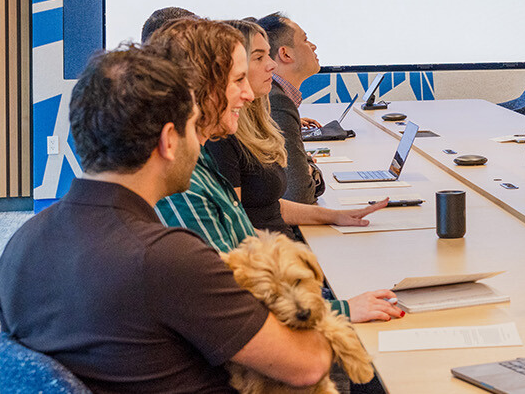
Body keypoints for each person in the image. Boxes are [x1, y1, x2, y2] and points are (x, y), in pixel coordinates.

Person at [0, 46, 332, 392]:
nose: (199, 145)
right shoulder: (168, 258)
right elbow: (307, 366)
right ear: (169, 140)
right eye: (192, 127)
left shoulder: (20, 246)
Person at [147, 18, 401, 325]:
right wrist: (338, 311)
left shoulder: (200, 166)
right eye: (238, 79)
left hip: (279, 299)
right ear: (203, 88)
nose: (249, 95)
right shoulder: (187, 179)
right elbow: (233, 302)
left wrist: (333, 216)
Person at [207, 19, 387, 237]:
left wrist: (335, 216)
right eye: (259, 57)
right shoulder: (222, 136)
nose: (271, 66)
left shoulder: (252, 120)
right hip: (270, 255)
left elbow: (268, 206)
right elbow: (234, 229)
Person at [258, 12, 327, 205]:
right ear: (285, 53)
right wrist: (312, 169)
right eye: (305, 40)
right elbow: (298, 195)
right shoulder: (277, 101)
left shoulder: (276, 96)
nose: (313, 46)